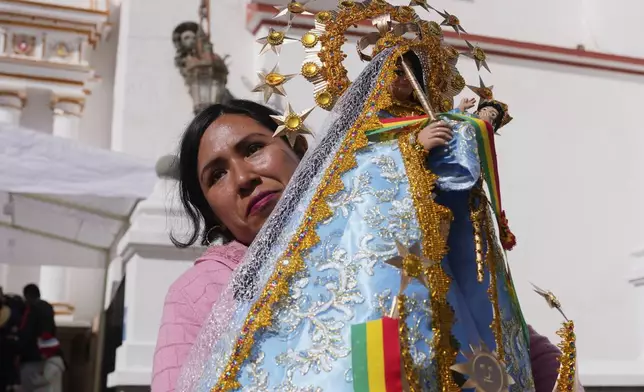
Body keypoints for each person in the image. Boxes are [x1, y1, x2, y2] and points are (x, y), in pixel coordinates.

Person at [151, 99, 567, 392]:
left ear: (297, 148)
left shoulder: (386, 228)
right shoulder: (201, 292)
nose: (243, 178)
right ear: (212, 210)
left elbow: (504, 339)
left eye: (254, 149)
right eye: (216, 176)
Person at [18, 284, 57, 392]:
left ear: (27, 296)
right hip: (47, 356)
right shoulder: (48, 307)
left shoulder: (32, 309)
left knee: (28, 385)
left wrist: (19, 350)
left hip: (31, 356)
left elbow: (27, 332)